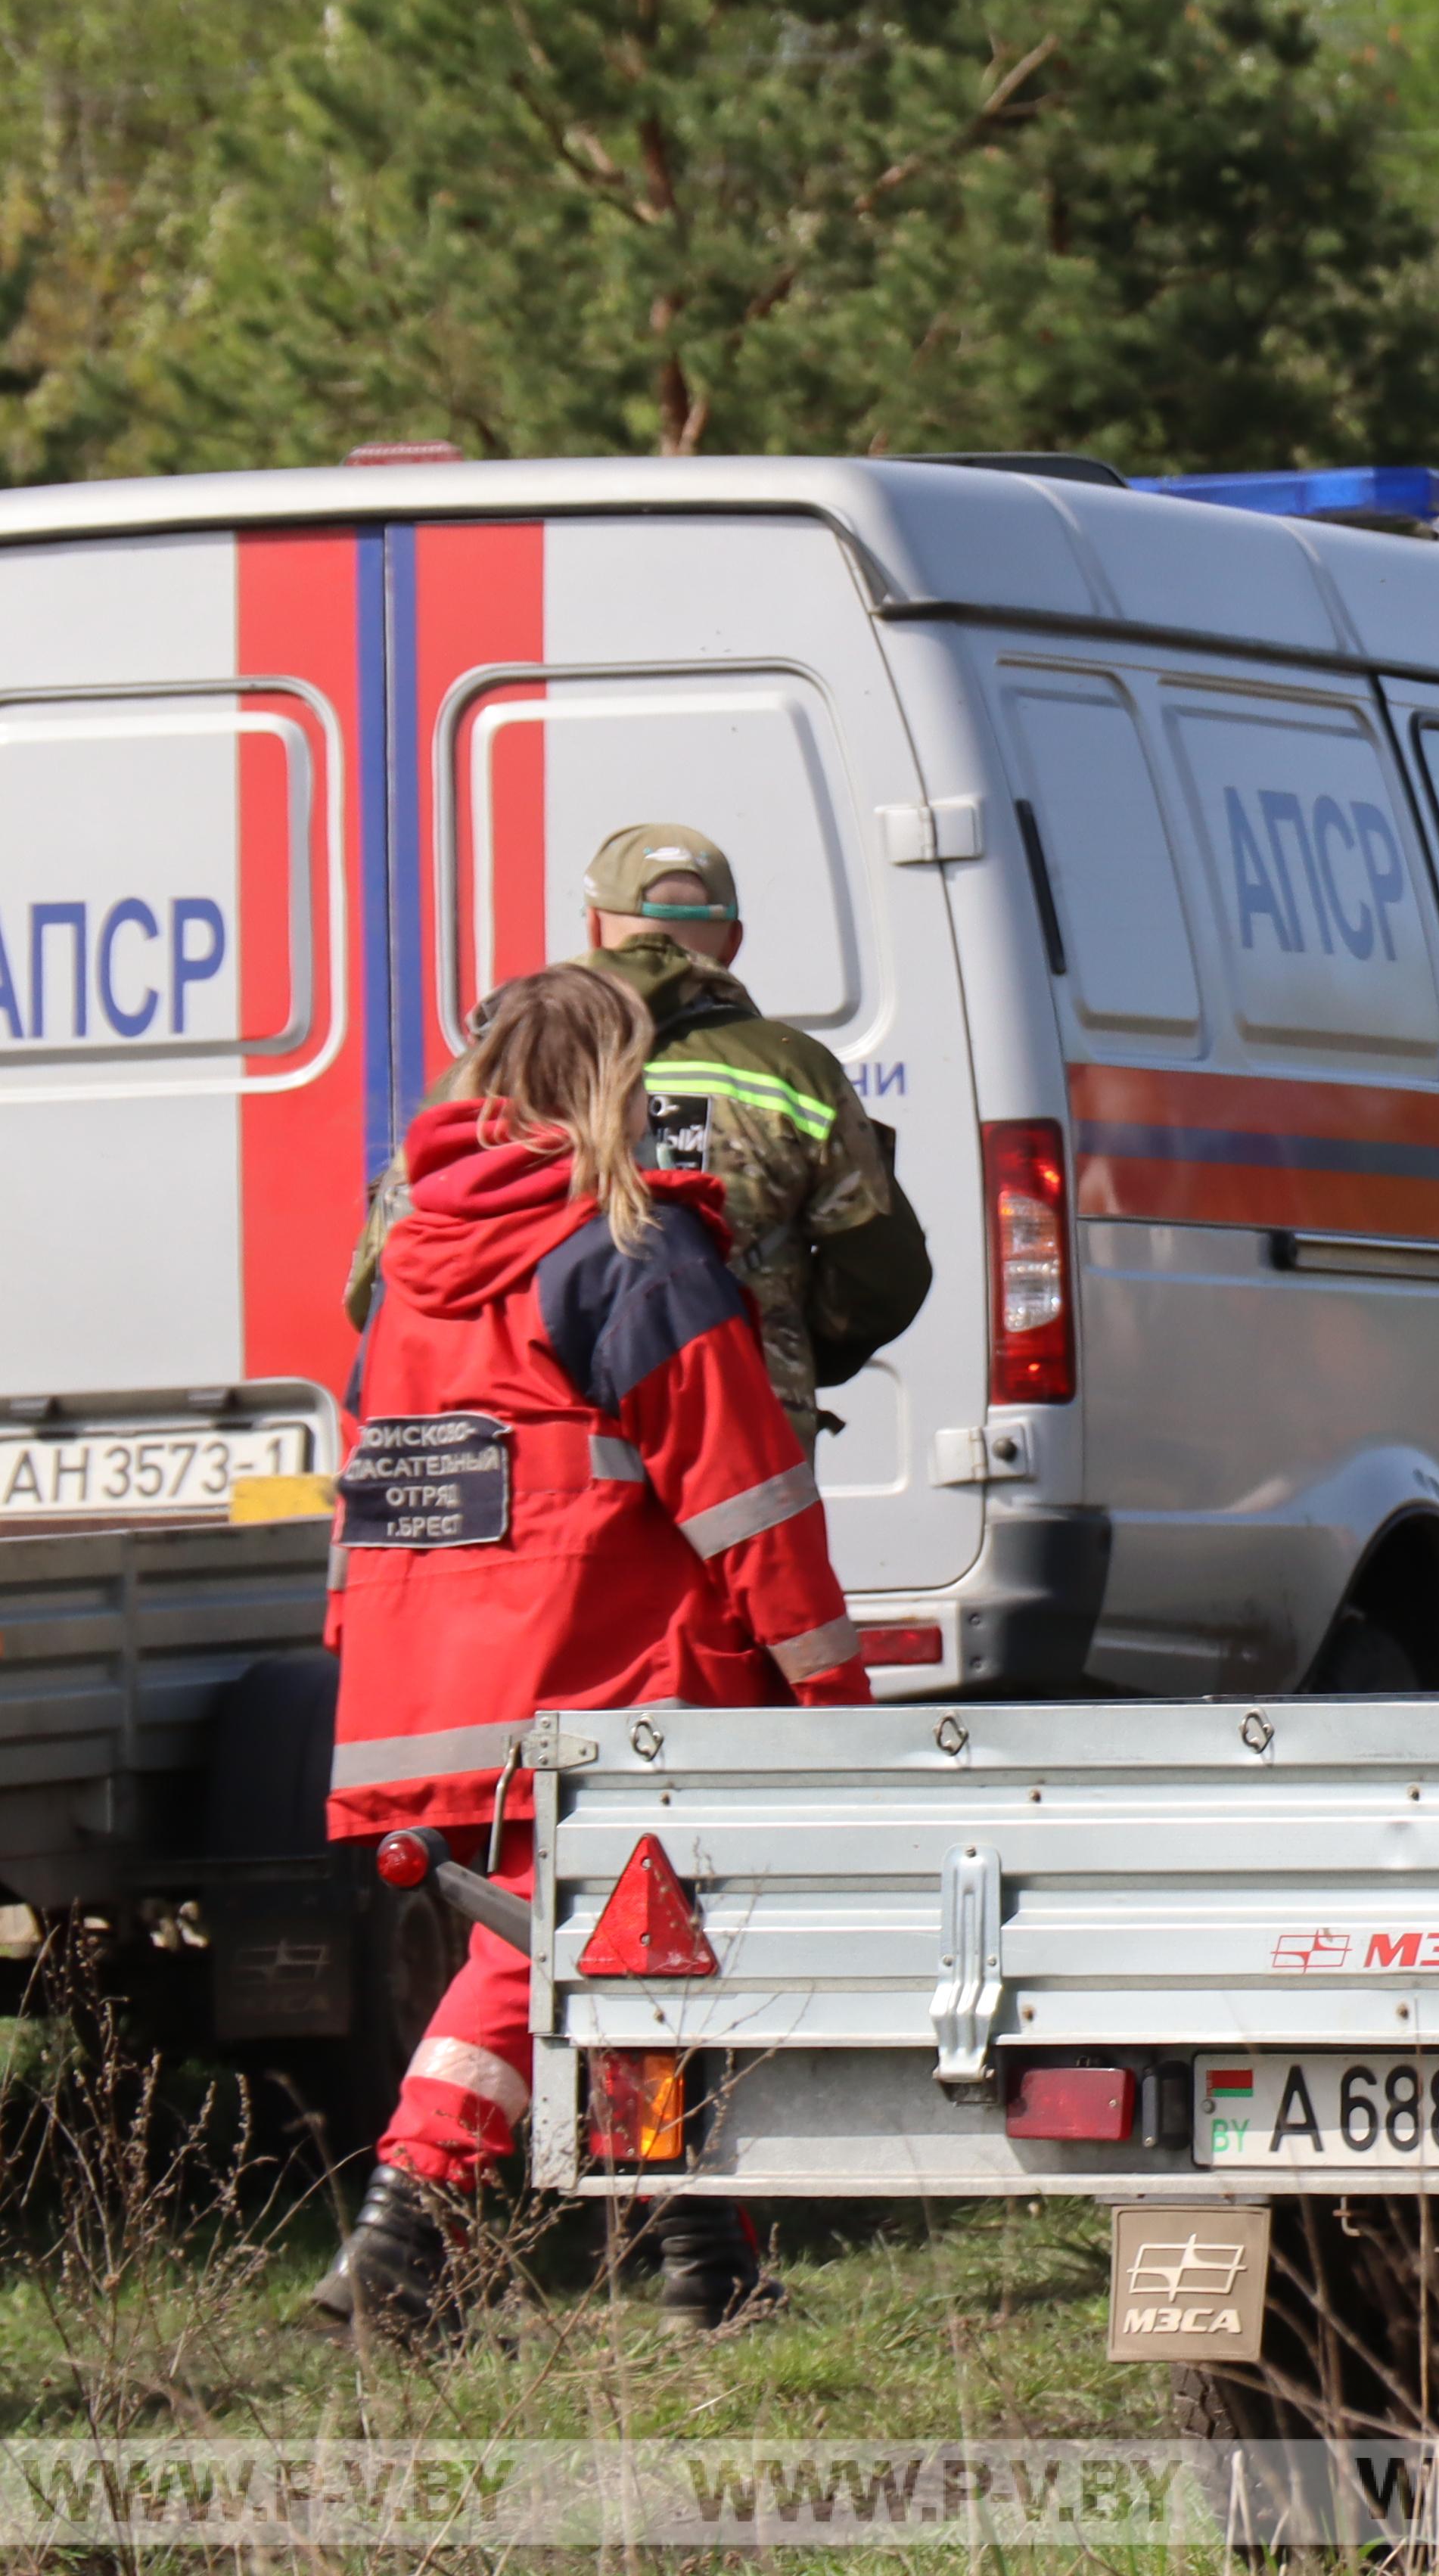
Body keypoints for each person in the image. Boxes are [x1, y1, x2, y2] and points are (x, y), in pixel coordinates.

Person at [312, 962, 873, 2345]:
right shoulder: (631, 1251)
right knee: (554, 1952)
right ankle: (400, 2238)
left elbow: (370, 1489)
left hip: (431, 1685)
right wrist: (833, 1691)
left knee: (634, 1958)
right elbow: (743, 1491)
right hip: (613, 1675)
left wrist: (357, 1655)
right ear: (618, 1087)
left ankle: (710, 2263)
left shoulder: (410, 1268)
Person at [350, 822, 928, 1443]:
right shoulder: (793, 1071)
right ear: (732, 942)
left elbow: (381, 1283)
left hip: (534, 1451)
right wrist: (783, 1348)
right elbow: (883, 1274)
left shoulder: (489, 1068)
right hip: (735, 1440)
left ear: (596, 928)